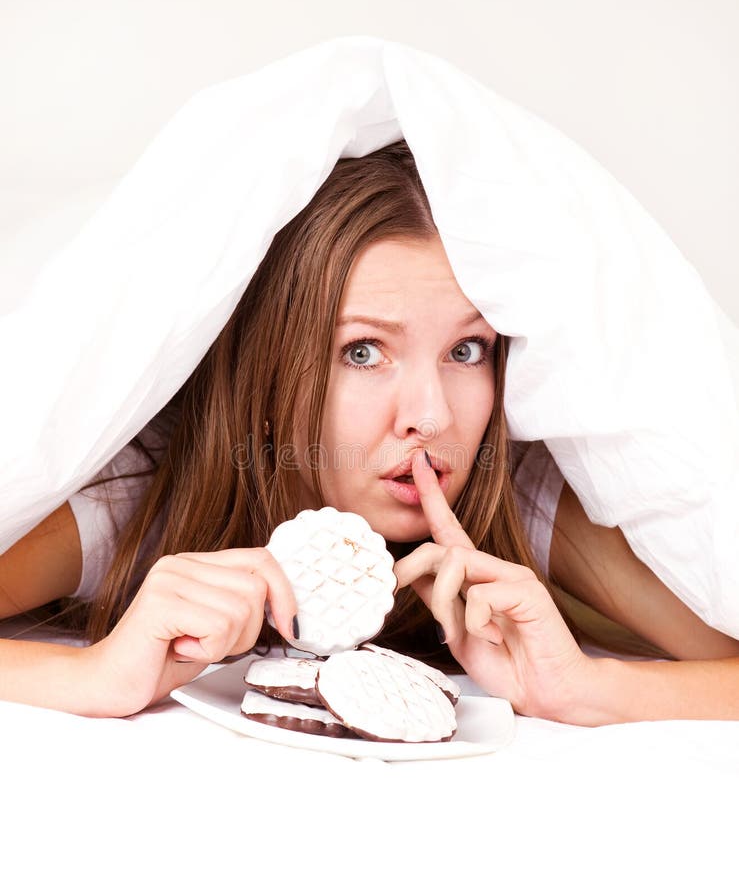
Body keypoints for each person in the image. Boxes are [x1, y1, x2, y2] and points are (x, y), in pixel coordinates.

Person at [1, 140, 738, 724]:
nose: (432, 415)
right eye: (362, 352)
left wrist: (583, 689)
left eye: (465, 351)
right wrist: (91, 675)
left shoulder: (526, 499)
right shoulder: (137, 492)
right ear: (269, 364)